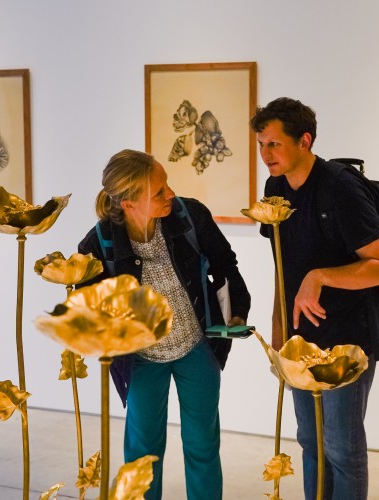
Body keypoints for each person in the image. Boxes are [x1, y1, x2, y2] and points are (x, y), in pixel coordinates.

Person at [77, 149, 251, 500]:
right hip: (141, 359)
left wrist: (237, 312)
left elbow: (226, 264)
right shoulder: (99, 243)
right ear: (130, 203)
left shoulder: (190, 216)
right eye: (159, 192)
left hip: (196, 348)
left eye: (166, 184)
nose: (170, 193)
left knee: (203, 444)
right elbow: (86, 303)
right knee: (143, 453)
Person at [250, 98, 379, 500]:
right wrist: (279, 335)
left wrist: (319, 277)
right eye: (261, 144)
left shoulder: (341, 187)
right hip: (302, 340)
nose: (266, 154)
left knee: (342, 448)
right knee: (311, 443)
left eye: (274, 144)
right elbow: (283, 268)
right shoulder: (276, 187)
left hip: (349, 340)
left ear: (305, 141)